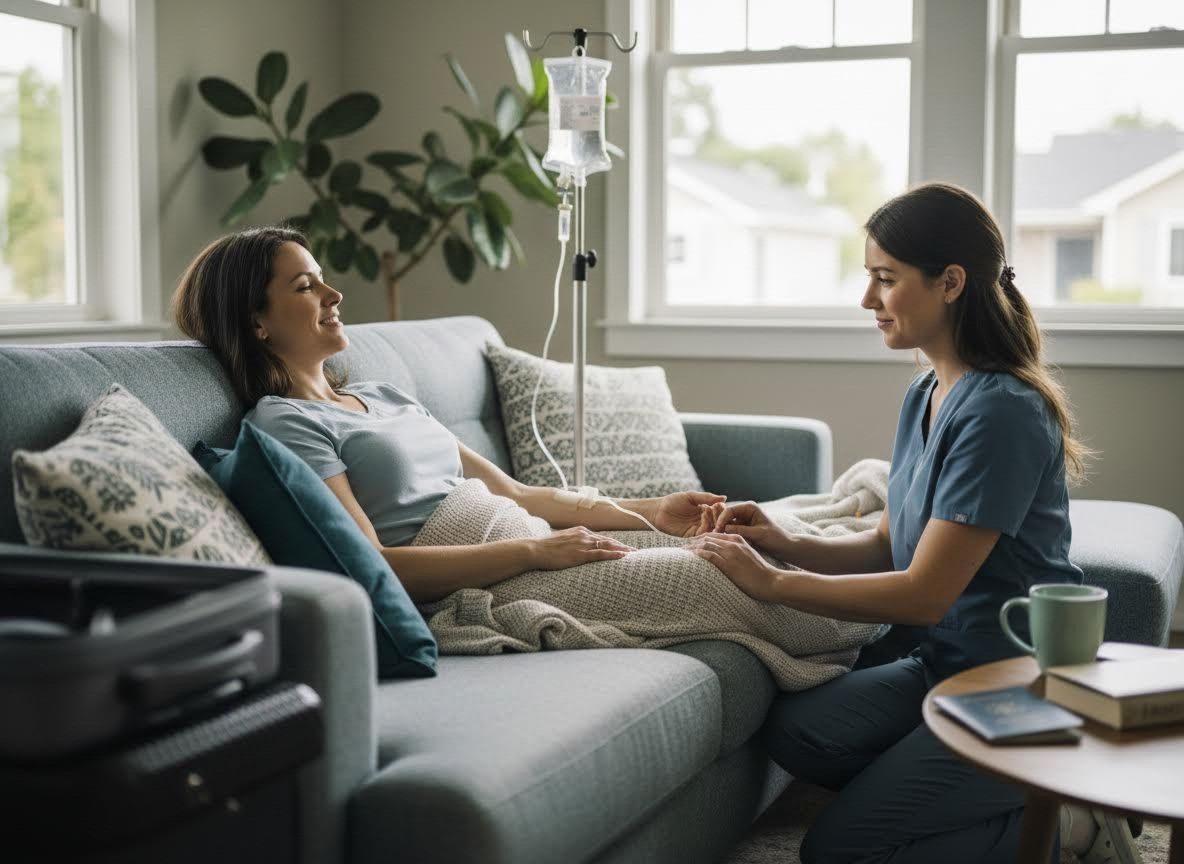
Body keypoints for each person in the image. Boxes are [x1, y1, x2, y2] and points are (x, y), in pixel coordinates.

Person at [687, 183, 1130, 864]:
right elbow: (890, 545)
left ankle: (1069, 819)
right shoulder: (925, 390)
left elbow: (925, 593)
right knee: (800, 734)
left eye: (885, 279)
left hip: (1022, 682)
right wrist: (782, 542)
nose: (868, 300)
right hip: (943, 664)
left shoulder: (1003, 411)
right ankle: (977, 787)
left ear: (950, 282)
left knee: (837, 849)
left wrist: (772, 586)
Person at [172, 226, 725, 602]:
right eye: (305, 286)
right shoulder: (285, 423)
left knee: (748, 541)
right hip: (498, 573)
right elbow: (379, 564)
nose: (334, 293)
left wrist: (655, 511)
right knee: (724, 580)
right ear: (255, 323)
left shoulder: (384, 396)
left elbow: (519, 494)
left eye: (322, 278)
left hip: (523, 534)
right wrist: (536, 551)